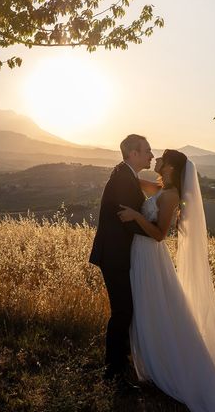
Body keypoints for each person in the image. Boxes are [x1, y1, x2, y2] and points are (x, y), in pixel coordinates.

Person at [118, 149, 215, 411]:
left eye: (161, 159)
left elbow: (160, 234)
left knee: (154, 308)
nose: (156, 159)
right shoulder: (162, 188)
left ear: (169, 167)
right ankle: (151, 361)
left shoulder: (171, 196)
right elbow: (137, 183)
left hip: (151, 255)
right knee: (149, 308)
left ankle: (163, 366)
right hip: (141, 254)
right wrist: (125, 171)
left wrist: (136, 217)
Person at [89, 134, 154, 383]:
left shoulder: (127, 175)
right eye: (147, 150)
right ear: (133, 154)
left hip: (117, 252)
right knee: (123, 310)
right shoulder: (124, 179)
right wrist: (157, 229)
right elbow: (128, 220)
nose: (151, 155)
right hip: (114, 254)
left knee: (125, 308)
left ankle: (120, 360)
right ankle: (113, 368)